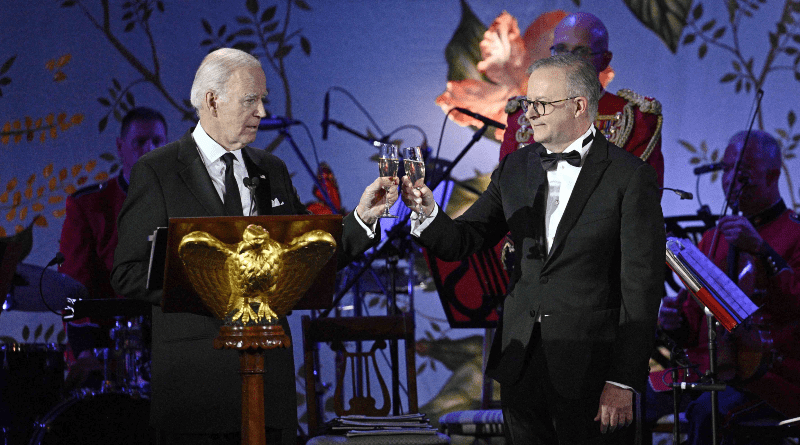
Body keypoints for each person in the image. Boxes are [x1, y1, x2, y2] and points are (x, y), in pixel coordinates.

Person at [111, 48, 397, 445]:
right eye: (251, 100)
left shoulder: (272, 169)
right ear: (212, 100)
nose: (262, 112)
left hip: (270, 386)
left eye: (263, 100)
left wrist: (364, 217)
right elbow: (127, 273)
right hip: (196, 390)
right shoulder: (157, 171)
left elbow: (311, 252)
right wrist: (216, 285)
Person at [402, 53, 664, 444]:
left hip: (592, 368)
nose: (529, 114)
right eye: (528, 103)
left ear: (579, 106)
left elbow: (642, 289)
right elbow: (463, 240)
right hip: (521, 360)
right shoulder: (515, 168)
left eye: (542, 104)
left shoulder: (629, 177)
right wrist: (427, 212)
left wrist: (623, 379)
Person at [657, 130, 800, 444]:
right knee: (634, 398)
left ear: (773, 175)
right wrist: (675, 322)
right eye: (726, 170)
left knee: (708, 412)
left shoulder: (794, 232)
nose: (730, 180)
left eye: (744, 173)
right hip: (712, 369)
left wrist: (762, 250)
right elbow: (695, 323)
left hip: (774, 376)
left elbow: (794, 304)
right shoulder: (713, 238)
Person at [500, 12, 664, 189]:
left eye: (582, 52)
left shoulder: (636, 120)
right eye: (561, 49)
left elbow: (641, 200)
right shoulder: (522, 116)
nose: (568, 59)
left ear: (604, 60)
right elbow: (506, 190)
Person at [59, 107, 167, 358]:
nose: (149, 149)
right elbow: (76, 286)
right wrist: (89, 351)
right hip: (108, 346)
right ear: (121, 148)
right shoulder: (89, 205)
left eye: (157, 142)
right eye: (139, 142)